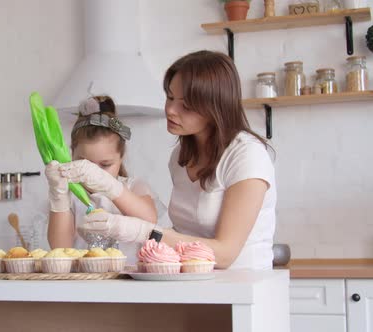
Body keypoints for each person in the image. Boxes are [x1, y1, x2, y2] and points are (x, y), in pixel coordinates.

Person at [78, 51, 277, 270]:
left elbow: (225, 254)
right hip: (193, 281)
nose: (171, 110)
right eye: (170, 97)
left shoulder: (247, 156)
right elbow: (185, 235)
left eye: (187, 105)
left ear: (216, 107)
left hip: (242, 287)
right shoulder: (181, 156)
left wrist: (144, 231)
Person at [45, 95, 164, 260]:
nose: (95, 172)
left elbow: (150, 219)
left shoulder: (134, 186)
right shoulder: (71, 195)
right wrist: (58, 195)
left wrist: (109, 186)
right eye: (86, 163)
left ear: (121, 157)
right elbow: (60, 247)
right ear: (72, 154)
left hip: (128, 279)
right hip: (84, 281)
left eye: (105, 165)